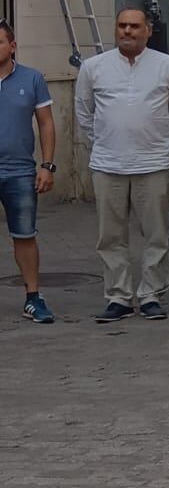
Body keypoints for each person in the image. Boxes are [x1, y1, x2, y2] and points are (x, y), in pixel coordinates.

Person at [74, 7, 169, 323]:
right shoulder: (94, 67)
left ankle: (151, 295)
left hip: (154, 163)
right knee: (110, 236)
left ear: (148, 31)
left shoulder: (168, 66)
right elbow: (84, 112)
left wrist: (160, 143)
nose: (127, 31)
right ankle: (118, 297)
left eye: (134, 26)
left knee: (156, 234)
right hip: (108, 164)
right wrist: (106, 142)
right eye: (122, 26)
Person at [0, 21, 56, 321]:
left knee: (24, 235)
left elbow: (46, 123)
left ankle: (33, 298)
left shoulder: (32, 79)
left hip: (20, 171)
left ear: (12, 46)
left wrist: (47, 166)